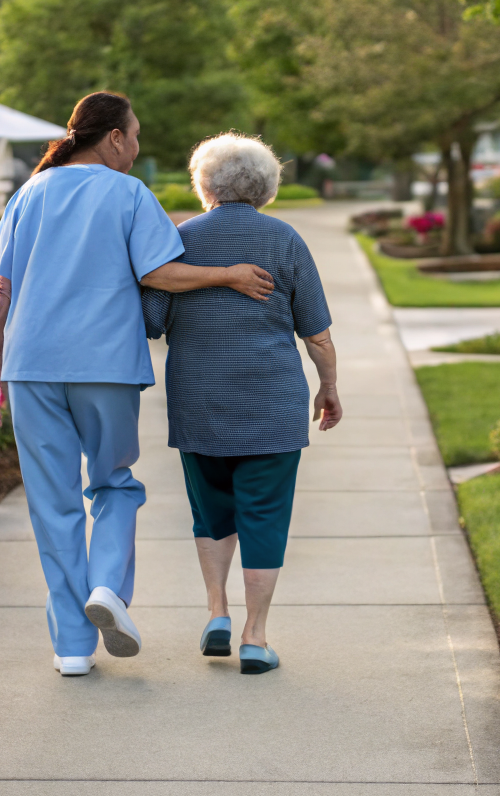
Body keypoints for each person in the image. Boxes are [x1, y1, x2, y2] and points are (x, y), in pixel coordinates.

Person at [0, 93, 275, 678]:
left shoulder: (29, 193)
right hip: (105, 366)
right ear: (113, 137)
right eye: (134, 136)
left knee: (52, 503)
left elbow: (0, 290)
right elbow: (159, 273)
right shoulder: (128, 194)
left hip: (31, 365)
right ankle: (109, 590)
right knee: (113, 484)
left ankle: (70, 648)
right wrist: (231, 275)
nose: (138, 149)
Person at [143, 132, 342, 675]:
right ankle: (255, 638)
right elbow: (317, 334)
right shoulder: (284, 240)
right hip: (271, 403)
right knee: (265, 515)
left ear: (204, 184)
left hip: (199, 399)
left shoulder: (178, 240)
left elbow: (151, 321)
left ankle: (217, 614)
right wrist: (328, 388)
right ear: (267, 185)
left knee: (211, 512)